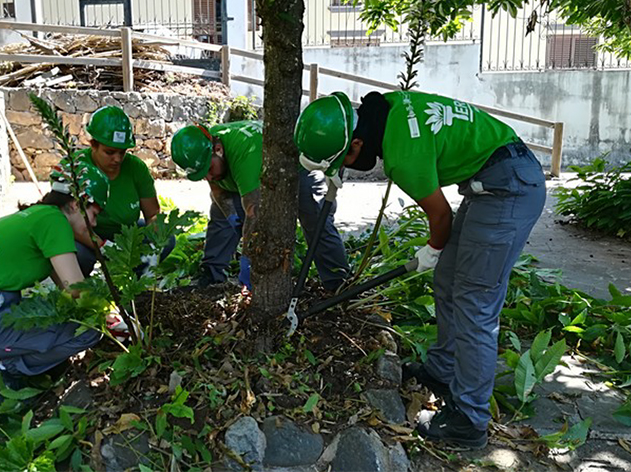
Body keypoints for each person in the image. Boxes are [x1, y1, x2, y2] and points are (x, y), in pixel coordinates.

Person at [294, 90, 546, 449]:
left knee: (475, 302)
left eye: (345, 159)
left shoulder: (402, 156)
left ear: (358, 142)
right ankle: (443, 371)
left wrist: (431, 248)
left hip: (510, 189)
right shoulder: (387, 108)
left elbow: (440, 216)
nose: (348, 165)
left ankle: (469, 420)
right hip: (495, 178)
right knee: (447, 279)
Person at [0, 160, 110, 403]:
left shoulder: (35, 216)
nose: (93, 224)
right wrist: (109, 314)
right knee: (88, 333)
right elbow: (76, 289)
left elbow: (65, 288)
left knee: (61, 321)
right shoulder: (55, 222)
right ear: (75, 204)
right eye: (94, 214)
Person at [171, 120, 350, 292]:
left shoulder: (244, 153)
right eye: (203, 175)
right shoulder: (209, 146)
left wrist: (248, 257)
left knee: (316, 221)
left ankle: (337, 281)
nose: (208, 178)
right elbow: (218, 191)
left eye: (208, 170)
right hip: (245, 176)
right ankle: (211, 274)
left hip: (297, 170)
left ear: (218, 150)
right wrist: (231, 216)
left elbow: (255, 213)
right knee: (220, 216)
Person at [72, 106, 170, 276]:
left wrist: (154, 249)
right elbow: (72, 224)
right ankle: (82, 290)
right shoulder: (75, 168)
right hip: (85, 234)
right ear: (93, 144)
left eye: (122, 152)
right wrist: (104, 246)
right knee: (78, 255)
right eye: (109, 152)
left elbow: (153, 214)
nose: (117, 159)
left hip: (125, 232)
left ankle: (137, 281)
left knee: (166, 239)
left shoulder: (135, 168)